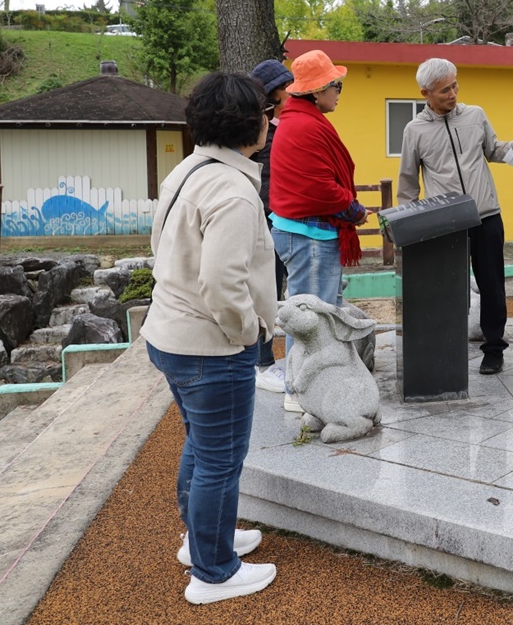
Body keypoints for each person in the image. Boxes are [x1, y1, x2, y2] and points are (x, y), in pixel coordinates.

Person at [143, 71, 278, 605]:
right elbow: (223, 283)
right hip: (210, 343)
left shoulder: (188, 169)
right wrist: (247, 333)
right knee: (221, 458)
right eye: (267, 113)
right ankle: (213, 571)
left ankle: (202, 540)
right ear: (251, 123)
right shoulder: (233, 189)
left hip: (170, 332)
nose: (270, 120)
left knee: (203, 445)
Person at [398, 57, 513, 375]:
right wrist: (406, 228)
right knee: (446, 287)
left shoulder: (475, 115)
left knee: (492, 285)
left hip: (486, 216)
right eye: (443, 90)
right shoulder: (414, 130)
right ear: (426, 93)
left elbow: (494, 149)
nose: (452, 93)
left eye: (454, 85)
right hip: (444, 221)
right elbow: (408, 181)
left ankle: (494, 349)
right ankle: (444, 347)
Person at [268, 50, 367, 410]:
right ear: (319, 89)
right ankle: (300, 394)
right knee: (311, 323)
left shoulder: (298, 119)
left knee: (313, 318)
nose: (339, 91)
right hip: (308, 235)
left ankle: (303, 388)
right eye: (335, 85)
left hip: (302, 231)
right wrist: (354, 210)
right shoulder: (305, 125)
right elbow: (320, 189)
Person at [248, 58, 293, 393]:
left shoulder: (283, 124)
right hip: (262, 218)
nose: (289, 92)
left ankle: (270, 359)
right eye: (284, 87)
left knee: (282, 289)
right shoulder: (255, 127)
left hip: (284, 216)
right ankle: (262, 362)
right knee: (265, 288)